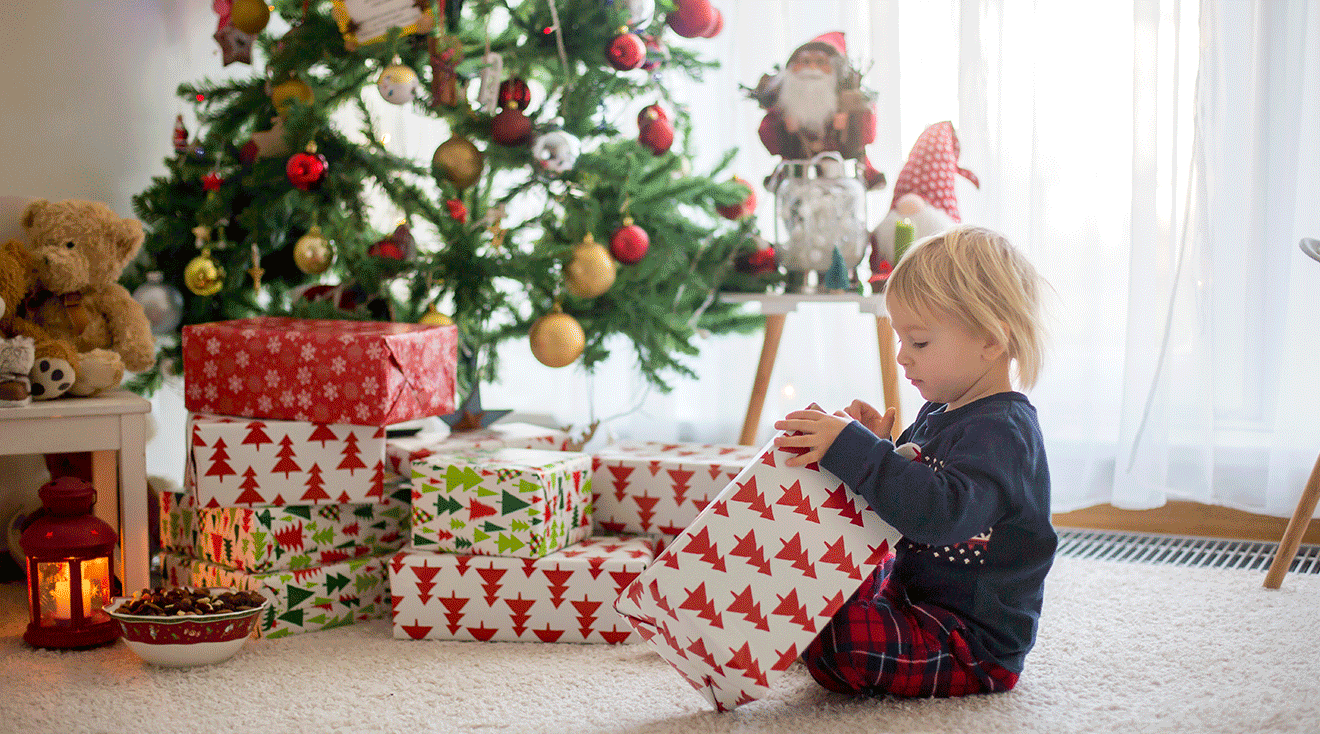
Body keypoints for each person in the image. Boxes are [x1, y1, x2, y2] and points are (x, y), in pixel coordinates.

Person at [772, 225, 1055, 698]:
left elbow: (935, 514)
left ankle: (819, 637)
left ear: (990, 341)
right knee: (814, 580)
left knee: (839, 639)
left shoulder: (1004, 434)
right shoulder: (943, 409)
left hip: (968, 639)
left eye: (919, 343)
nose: (903, 357)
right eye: (900, 339)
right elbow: (909, 479)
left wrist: (854, 450)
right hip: (913, 595)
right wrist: (875, 442)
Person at [754, 32, 877, 165]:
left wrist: (847, 126)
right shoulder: (782, 107)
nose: (812, 68)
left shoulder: (850, 103)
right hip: (796, 172)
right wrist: (784, 129)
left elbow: (866, 136)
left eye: (820, 62)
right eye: (805, 62)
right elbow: (769, 139)